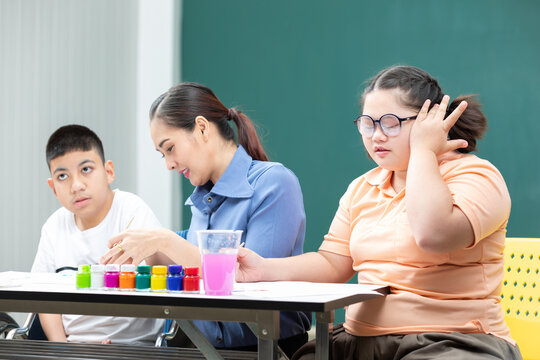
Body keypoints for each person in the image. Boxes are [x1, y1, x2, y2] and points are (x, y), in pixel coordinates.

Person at [236, 65, 523, 360]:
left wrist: (425, 151)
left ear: (431, 121)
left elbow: (432, 234)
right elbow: (333, 263)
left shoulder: (476, 176)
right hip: (358, 341)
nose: (376, 136)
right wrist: (263, 269)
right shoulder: (363, 186)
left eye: (391, 122)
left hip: (451, 341)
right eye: (368, 123)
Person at [99, 82, 311, 357]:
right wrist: (142, 247)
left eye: (170, 148)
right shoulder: (202, 199)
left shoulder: (275, 183)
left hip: (266, 350)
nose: (169, 164)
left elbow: (249, 281)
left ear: (202, 128)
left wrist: (163, 239)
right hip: (201, 348)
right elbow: (188, 259)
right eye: (162, 154)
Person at [31, 124, 165, 345]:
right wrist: (63, 351)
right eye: (62, 176)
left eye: (86, 169)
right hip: (74, 348)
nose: (76, 186)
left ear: (108, 171)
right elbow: (43, 300)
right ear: (53, 187)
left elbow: (160, 278)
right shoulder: (53, 227)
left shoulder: (132, 212)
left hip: (135, 348)